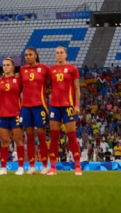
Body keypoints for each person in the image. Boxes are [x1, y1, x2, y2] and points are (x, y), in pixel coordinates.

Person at [47, 45, 82, 176]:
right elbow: (47, 85)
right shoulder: (51, 70)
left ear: (66, 54)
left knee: (71, 135)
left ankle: (77, 167)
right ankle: (52, 168)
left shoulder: (72, 69)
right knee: (54, 137)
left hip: (68, 106)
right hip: (54, 106)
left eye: (61, 52)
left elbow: (77, 88)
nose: (59, 55)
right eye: (57, 53)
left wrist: (77, 105)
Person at [19, 47, 50, 174]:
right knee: (29, 137)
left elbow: (49, 82)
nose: (28, 57)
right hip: (26, 106)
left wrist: (44, 92)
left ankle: (44, 166)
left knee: (42, 136)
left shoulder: (44, 68)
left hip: (40, 105)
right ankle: (32, 166)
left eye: (30, 54)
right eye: (26, 55)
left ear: (36, 55)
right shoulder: (22, 69)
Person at [0, 57, 24, 175]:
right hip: (2, 114)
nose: (5, 67)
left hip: (15, 114)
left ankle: (21, 167)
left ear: (13, 67)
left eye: (8, 65)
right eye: (4, 65)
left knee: (18, 140)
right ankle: (3, 168)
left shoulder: (18, 80)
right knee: (4, 141)